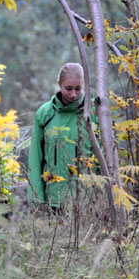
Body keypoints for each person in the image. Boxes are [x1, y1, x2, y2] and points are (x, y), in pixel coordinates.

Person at [27, 62, 96, 210]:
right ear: (59, 84)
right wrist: (36, 197)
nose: (73, 94)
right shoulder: (45, 114)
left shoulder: (93, 112)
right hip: (53, 198)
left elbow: (102, 155)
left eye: (78, 89)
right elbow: (35, 158)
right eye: (68, 89)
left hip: (86, 199)